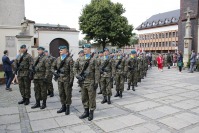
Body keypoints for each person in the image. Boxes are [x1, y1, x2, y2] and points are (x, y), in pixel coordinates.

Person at [74, 44, 99, 121]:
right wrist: (77, 75)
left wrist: (96, 82)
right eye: (84, 49)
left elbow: (97, 71)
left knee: (91, 98)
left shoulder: (94, 59)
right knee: (84, 97)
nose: (84, 50)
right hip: (82, 81)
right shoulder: (79, 59)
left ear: (90, 50)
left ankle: (91, 112)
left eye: (86, 49)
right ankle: (86, 111)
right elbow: (75, 68)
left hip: (91, 81)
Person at [52, 46, 74, 115]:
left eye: (62, 50)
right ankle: (63, 106)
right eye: (60, 50)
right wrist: (54, 72)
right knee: (61, 93)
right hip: (59, 79)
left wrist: (71, 81)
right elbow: (52, 67)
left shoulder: (69, 59)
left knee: (67, 94)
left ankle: (67, 107)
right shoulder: (58, 59)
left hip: (67, 79)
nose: (60, 51)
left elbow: (72, 71)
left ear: (66, 51)